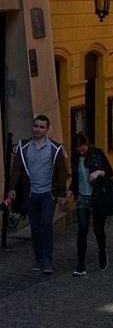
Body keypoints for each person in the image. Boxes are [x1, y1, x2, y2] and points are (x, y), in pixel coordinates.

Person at [6, 113, 68, 274]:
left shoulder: (55, 149)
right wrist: (12, 188)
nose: (38, 129)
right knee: (35, 227)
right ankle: (39, 259)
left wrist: (62, 194)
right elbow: (16, 169)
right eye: (36, 126)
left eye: (41, 127)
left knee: (46, 224)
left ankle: (47, 260)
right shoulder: (24, 147)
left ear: (47, 129)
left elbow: (61, 172)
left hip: (48, 194)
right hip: (31, 194)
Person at [69, 131, 113, 275]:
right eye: (79, 150)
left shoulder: (97, 154)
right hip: (82, 197)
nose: (81, 152)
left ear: (87, 145)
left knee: (98, 229)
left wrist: (99, 172)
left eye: (83, 149)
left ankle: (102, 252)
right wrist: (70, 191)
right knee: (82, 229)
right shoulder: (75, 158)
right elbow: (76, 179)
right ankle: (81, 265)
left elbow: (110, 173)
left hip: (97, 196)